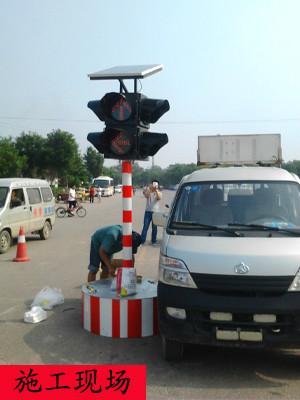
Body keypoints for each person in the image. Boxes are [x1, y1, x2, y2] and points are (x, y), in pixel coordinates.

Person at [140, 180, 162, 245]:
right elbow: (146, 195)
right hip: (148, 212)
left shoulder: (159, 192)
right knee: (145, 227)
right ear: (151, 184)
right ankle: (142, 241)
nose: (154, 185)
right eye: (153, 184)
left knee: (154, 228)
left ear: (158, 185)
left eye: (156, 184)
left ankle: (153, 241)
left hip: (155, 212)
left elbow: (159, 198)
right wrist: (150, 189)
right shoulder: (148, 191)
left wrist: (156, 190)